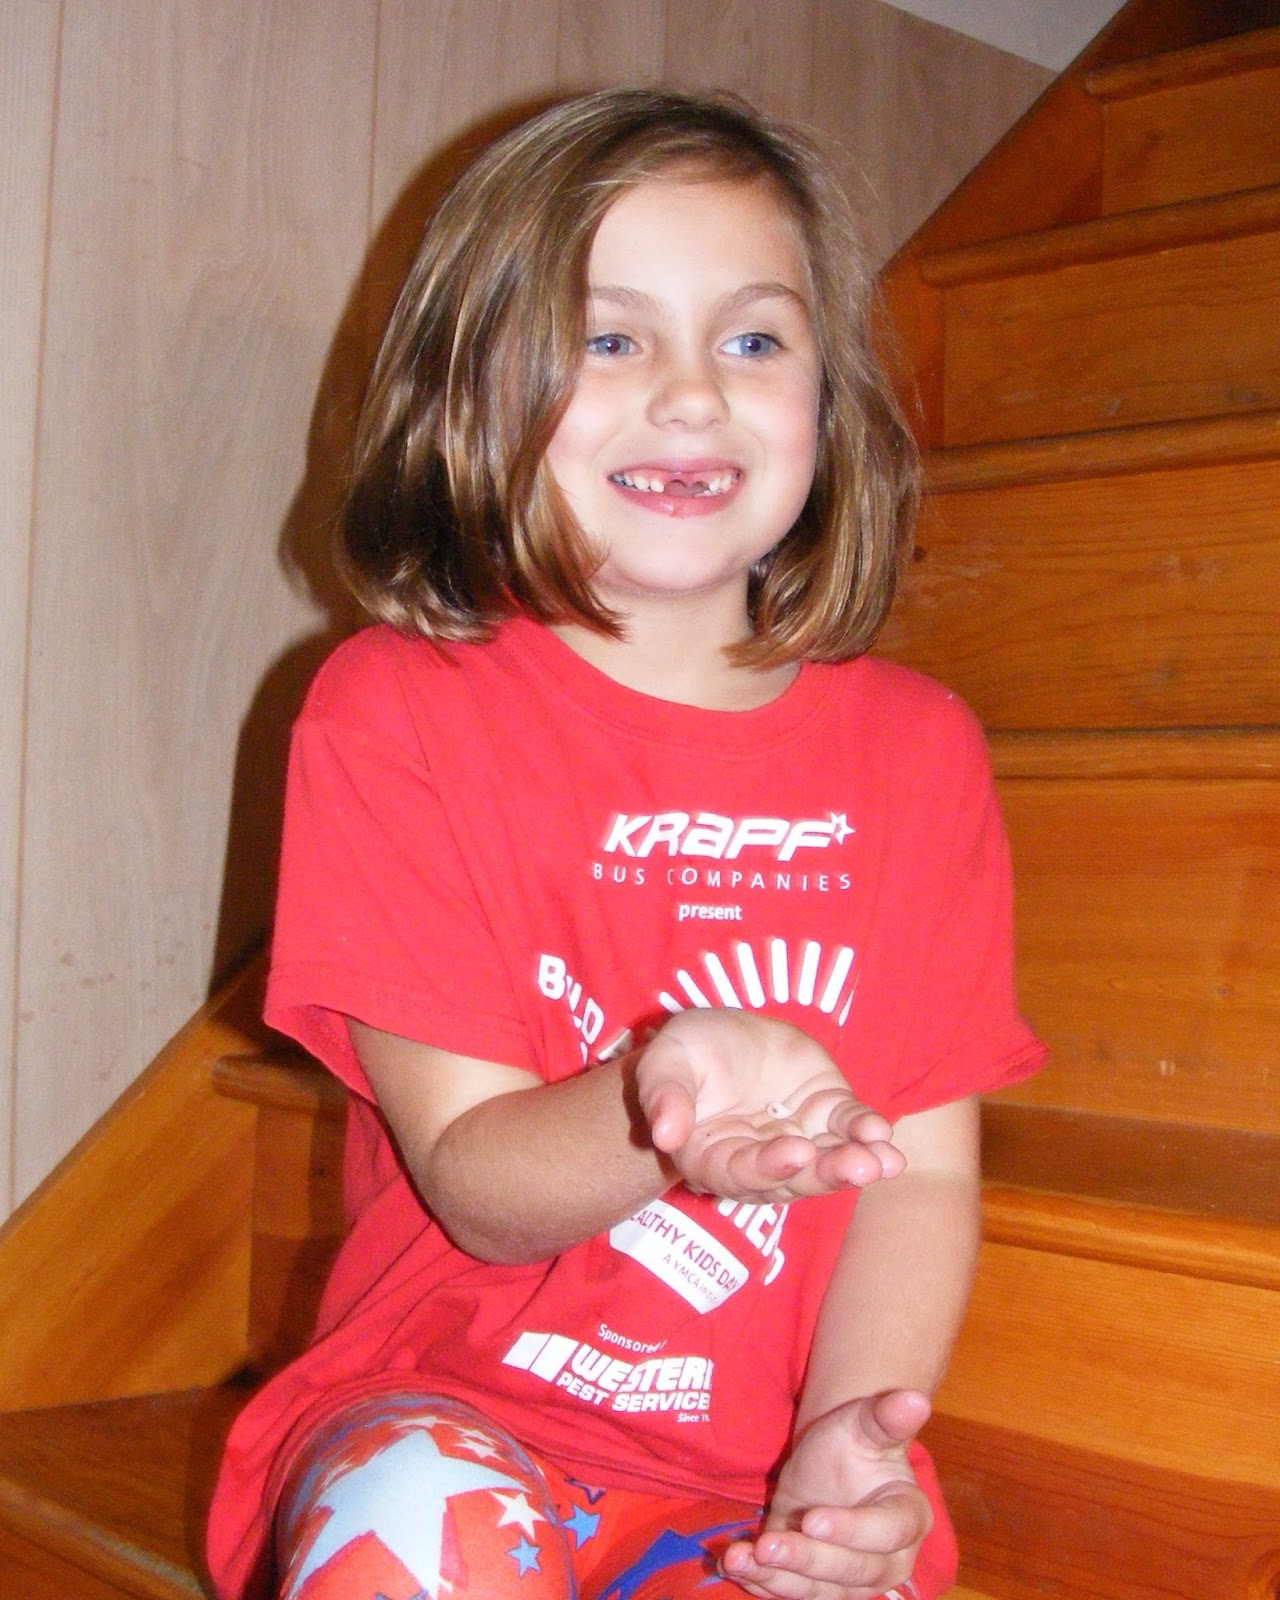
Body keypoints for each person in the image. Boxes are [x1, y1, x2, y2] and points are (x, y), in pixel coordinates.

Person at [207, 87, 1045, 1600]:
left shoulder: (922, 754)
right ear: (471, 395)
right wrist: (663, 1099)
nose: (692, 395)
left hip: (758, 1471)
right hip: (455, 1409)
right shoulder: (396, 710)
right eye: (610, 339)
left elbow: (920, 1180)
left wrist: (848, 1442)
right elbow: (475, 1181)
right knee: (424, 1532)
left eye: (755, 341)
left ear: (829, 402)